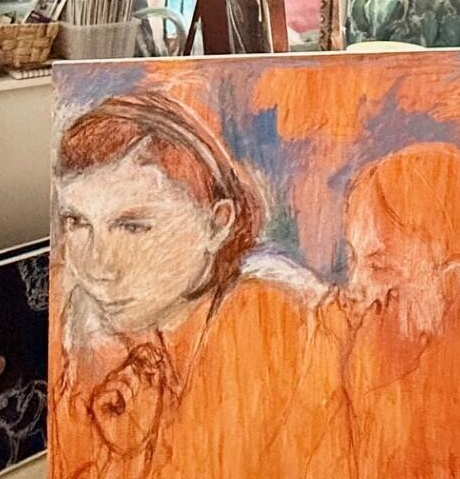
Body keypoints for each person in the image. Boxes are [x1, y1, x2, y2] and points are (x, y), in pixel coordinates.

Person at [49, 92, 352, 479]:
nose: (99, 267)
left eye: (134, 226)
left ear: (218, 223)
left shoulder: (274, 317)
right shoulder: (82, 321)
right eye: (77, 223)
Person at [332, 144, 460, 479]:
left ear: (451, 282)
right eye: (352, 258)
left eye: (380, 267)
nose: (355, 285)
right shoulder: (367, 351)